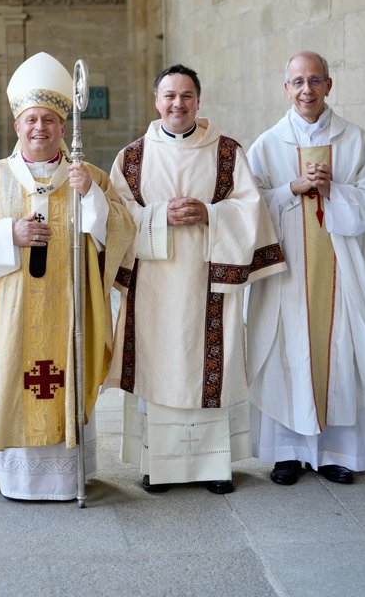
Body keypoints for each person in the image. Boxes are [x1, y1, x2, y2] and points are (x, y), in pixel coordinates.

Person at [0, 52, 134, 501]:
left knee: (63, 380)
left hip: (69, 308)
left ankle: (66, 474)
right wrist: (6, 234)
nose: (40, 128)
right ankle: (17, 478)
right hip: (10, 314)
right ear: (17, 126)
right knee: (17, 380)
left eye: (49, 120)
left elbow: (119, 230)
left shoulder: (86, 176)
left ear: (61, 126)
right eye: (31, 119)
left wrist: (90, 197)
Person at [107, 65, 285, 495]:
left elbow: (249, 207)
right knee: (158, 368)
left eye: (186, 95)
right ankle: (158, 466)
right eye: (169, 95)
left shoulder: (226, 152)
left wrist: (210, 213)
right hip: (155, 286)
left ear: (198, 101)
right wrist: (156, 216)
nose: (177, 104)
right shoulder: (132, 157)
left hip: (208, 283)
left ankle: (213, 467)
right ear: (156, 101)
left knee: (210, 369)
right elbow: (117, 215)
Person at [246, 51, 365, 486]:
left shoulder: (355, 140)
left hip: (337, 272)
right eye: (297, 82)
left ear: (329, 85)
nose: (305, 89)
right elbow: (247, 205)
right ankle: (287, 453)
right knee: (286, 355)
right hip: (286, 275)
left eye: (314, 81)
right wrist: (293, 188)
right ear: (285, 88)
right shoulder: (267, 144)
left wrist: (335, 191)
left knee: (339, 354)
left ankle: (336, 453)